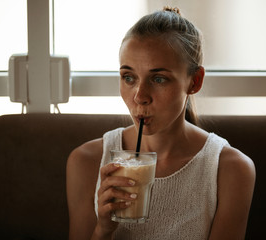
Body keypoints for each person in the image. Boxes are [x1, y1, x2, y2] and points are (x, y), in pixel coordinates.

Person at [66, 6, 255, 240]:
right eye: (129, 77)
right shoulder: (86, 161)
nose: (139, 95)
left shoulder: (230, 170)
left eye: (158, 79)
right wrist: (103, 229)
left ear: (194, 81)